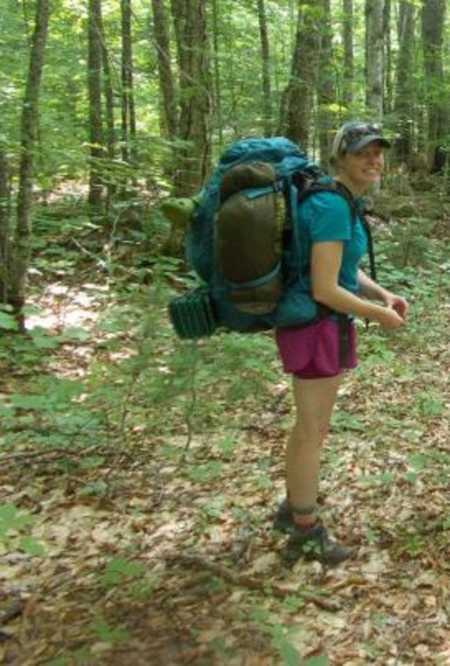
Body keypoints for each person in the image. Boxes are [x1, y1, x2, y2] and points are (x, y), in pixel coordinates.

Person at [273, 121, 409, 565]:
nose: (374, 160)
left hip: (319, 325)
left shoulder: (339, 200)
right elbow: (325, 288)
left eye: (378, 152)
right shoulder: (332, 205)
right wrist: (379, 315)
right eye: (362, 152)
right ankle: (305, 527)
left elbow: (343, 265)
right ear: (340, 159)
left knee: (307, 427)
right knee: (313, 430)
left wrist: (380, 293)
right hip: (316, 326)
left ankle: (293, 504)